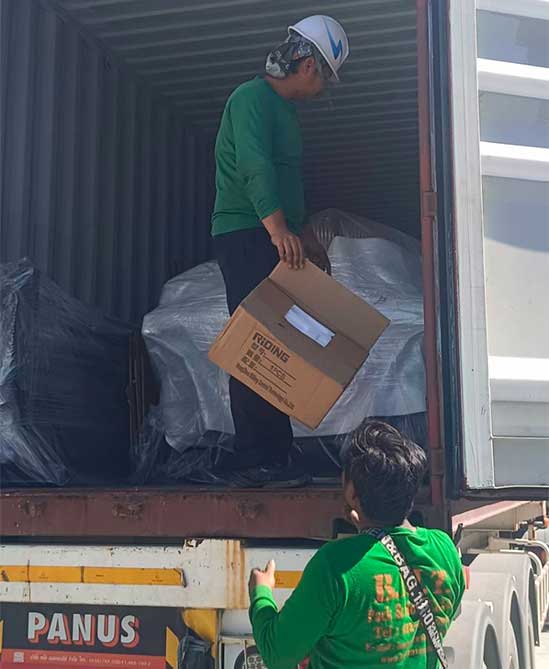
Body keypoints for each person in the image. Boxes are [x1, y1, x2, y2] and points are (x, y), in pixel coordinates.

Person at [211, 16, 350, 486]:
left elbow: (288, 183)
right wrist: (276, 229)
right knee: (255, 341)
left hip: (267, 231)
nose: (324, 90)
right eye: (326, 78)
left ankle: (275, 450)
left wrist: (303, 236)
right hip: (245, 232)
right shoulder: (250, 98)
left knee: (279, 343)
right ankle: (254, 454)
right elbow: (254, 165)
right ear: (308, 66)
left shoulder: (284, 113)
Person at [248, 421, 466, 668]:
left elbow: (277, 654)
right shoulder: (444, 549)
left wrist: (261, 593)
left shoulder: (336, 565)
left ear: (352, 492)